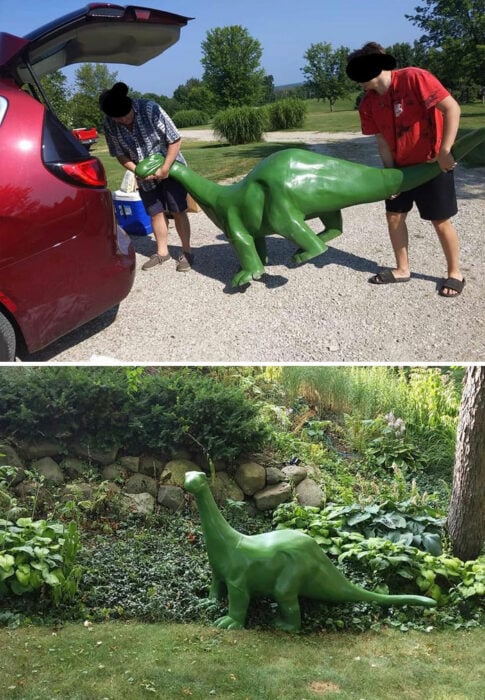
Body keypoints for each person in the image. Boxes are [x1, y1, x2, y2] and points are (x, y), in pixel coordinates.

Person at [346, 43, 465, 297]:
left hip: (431, 165)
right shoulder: (367, 103)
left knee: (440, 220)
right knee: (394, 216)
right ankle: (402, 269)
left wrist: (445, 151)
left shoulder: (414, 78)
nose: (358, 82)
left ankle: (455, 272)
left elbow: (451, 108)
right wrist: (389, 176)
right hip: (400, 171)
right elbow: (381, 141)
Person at [100, 82, 193, 272]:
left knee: (178, 210)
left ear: (131, 106)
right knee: (155, 211)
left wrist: (165, 169)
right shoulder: (109, 123)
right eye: (119, 119)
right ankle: (162, 252)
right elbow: (119, 154)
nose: (124, 121)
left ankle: (186, 252)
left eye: (126, 116)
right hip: (143, 175)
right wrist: (137, 171)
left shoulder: (150, 109)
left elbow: (175, 140)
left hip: (170, 166)